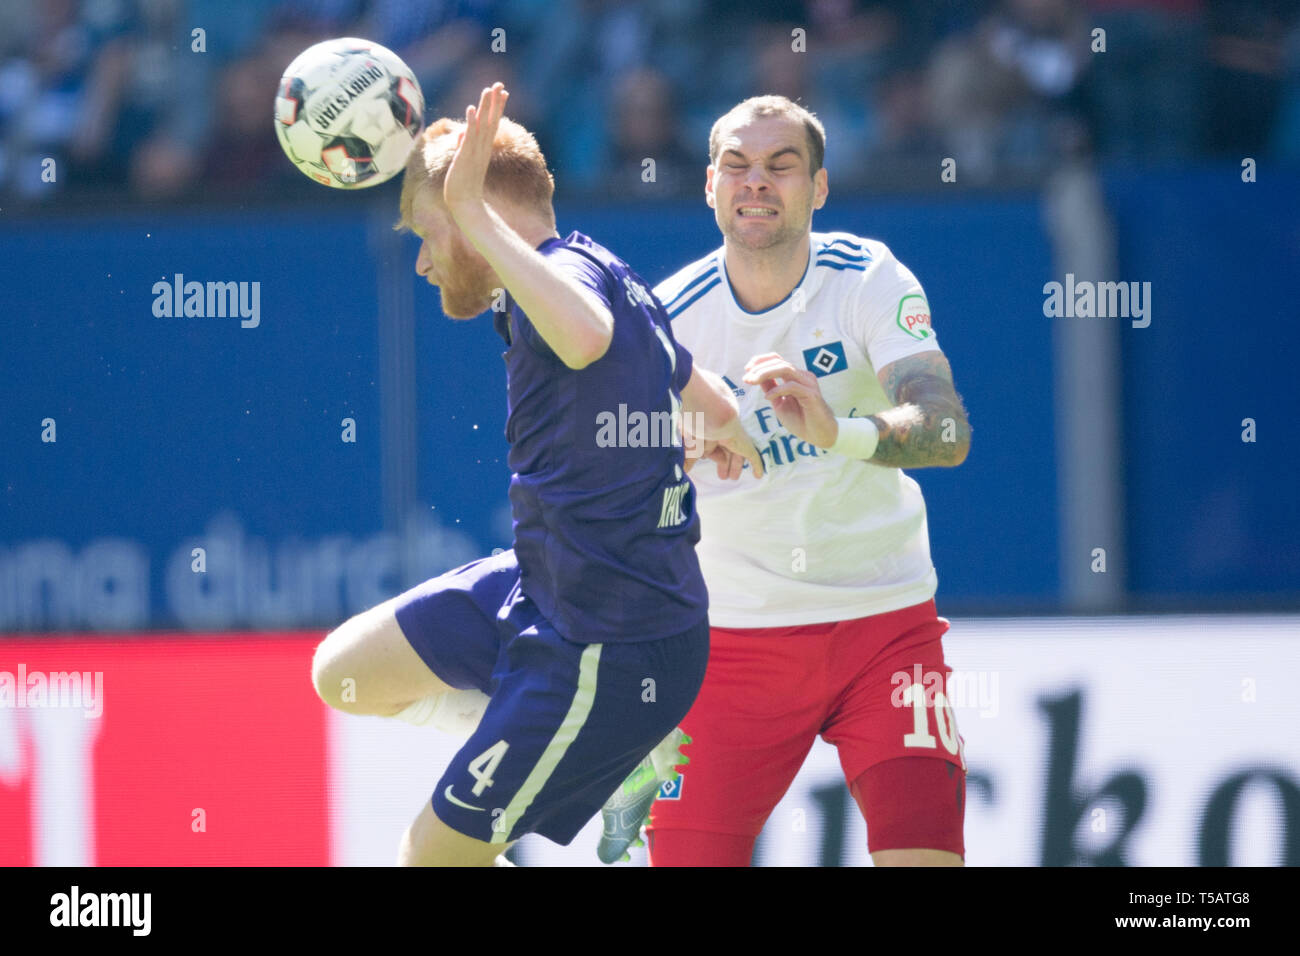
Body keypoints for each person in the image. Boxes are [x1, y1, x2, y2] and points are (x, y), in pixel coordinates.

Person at [310, 83, 762, 866]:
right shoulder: (598, 263)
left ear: (473, 211)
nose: (419, 260)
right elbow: (704, 394)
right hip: (549, 587)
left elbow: (586, 336)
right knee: (342, 674)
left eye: (426, 230)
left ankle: (610, 749)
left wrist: (473, 215)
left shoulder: (564, 285)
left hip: (611, 646)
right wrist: (714, 431)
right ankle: (610, 765)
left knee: (428, 860)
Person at [602, 95, 973, 867]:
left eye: (781, 166)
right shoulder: (668, 320)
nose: (756, 183)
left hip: (885, 624)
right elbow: (610, 486)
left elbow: (945, 430)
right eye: (736, 167)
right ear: (709, 186)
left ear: (820, 188)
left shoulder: (866, 277)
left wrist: (837, 431)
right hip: (728, 646)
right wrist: (669, 447)